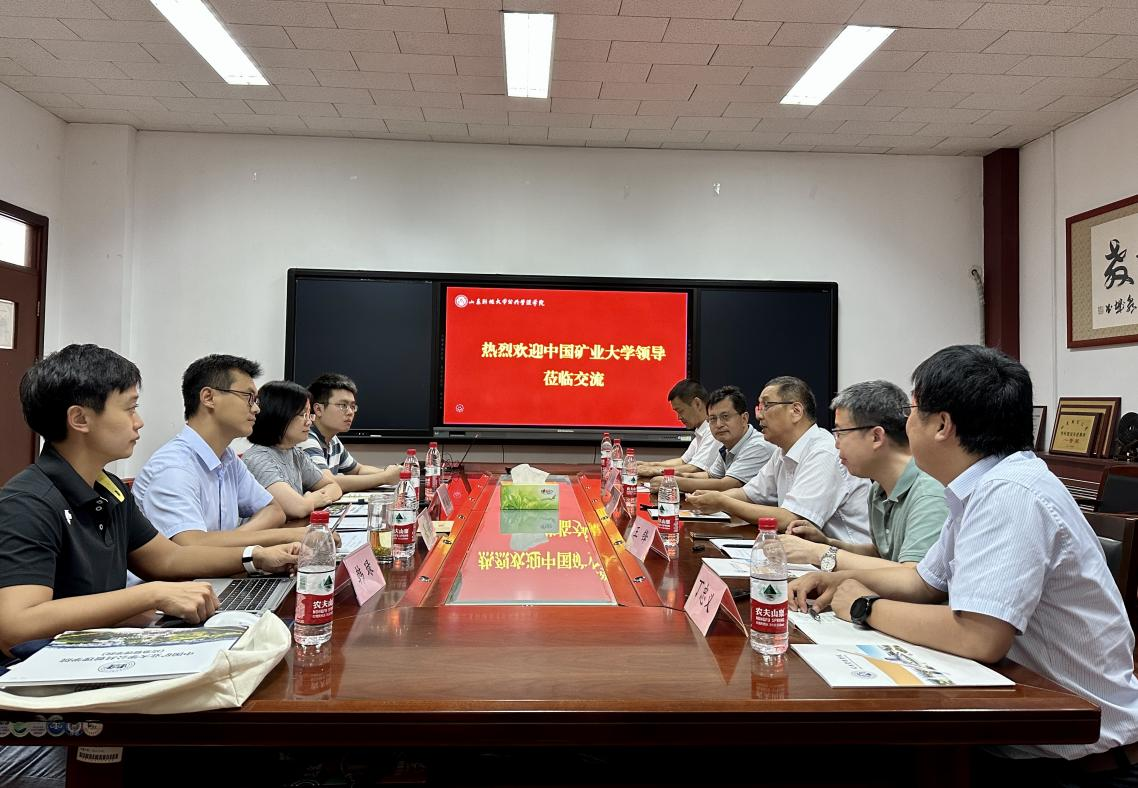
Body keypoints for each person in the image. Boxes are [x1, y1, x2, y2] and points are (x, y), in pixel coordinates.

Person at [789, 345, 1138, 785]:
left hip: (1081, 763)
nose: (905, 424)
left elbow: (979, 636)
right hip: (1021, 735)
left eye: (911, 411)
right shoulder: (978, 486)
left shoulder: (1010, 493)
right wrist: (840, 577)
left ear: (942, 425)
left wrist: (863, 606)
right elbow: (924, 581)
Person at [0, 346, 298, 788]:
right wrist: (149, 593)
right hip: (40, 709)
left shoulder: (108, 488)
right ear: (80, 419)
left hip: (95, 677)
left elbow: (167, 558)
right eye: (129, 408)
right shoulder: (29, 502)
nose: (139, 422)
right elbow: (16, 625)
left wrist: (254, 557)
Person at [133, 355, 305, 546]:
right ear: (209, 397)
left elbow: (274, 511)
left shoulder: (227, 458)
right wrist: (287, 535)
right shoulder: (173, 468)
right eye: (248, 397)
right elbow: (191, 548)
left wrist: (230, 540)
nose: (256, 408)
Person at [780, 380, 947, 571]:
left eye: (840, 433)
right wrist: (827, 543)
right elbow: (881, 555)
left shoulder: (928, 493)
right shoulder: (879, 489)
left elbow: (913, 576)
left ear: (876, 437)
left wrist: (819, 553)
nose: (836, 444)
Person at [688, 376, 871, 543]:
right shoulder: (782, 452)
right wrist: (707, 499)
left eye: (766, 406)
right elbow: (748, 494)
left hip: (845, 559)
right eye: (759, 407)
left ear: (796, 411)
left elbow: (792, 519)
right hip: (807, 553)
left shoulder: (823, 452)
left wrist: (722, 501)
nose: (759, 415)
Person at [242, 381, 342, 519]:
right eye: (303, 414)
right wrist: (313, 500)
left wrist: (308, 501)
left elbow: (334, 486)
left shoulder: (295, 453)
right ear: (278, 415)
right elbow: (297, 508)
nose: (309, 422)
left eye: (309, 415)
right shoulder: (258, 458)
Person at [652, 385, 772, 494]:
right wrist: (683, 476)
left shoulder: (758, 446)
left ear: (744, 419)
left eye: (725, 417)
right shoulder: (727, 446)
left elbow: (727, 484)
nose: (718, 424)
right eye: (713, 419)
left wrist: (672, 482)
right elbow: (711, 476)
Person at [299, 373, 400, 491]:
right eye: (343, 405)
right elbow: (328, 482)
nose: (350, 412)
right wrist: (385, 477)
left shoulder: (332, 440)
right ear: (318, 409)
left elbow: (358, 470)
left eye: (352, 406)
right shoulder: (306, 438)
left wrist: (393, 473)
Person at [637, 379, 722, 478]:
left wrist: (653, 470)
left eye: (680, 411)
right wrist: (649, 465)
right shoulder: (701, 431)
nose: (679, 417)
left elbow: (695, 468)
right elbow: (682, 461)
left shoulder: (712, 431)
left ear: (697, 403)